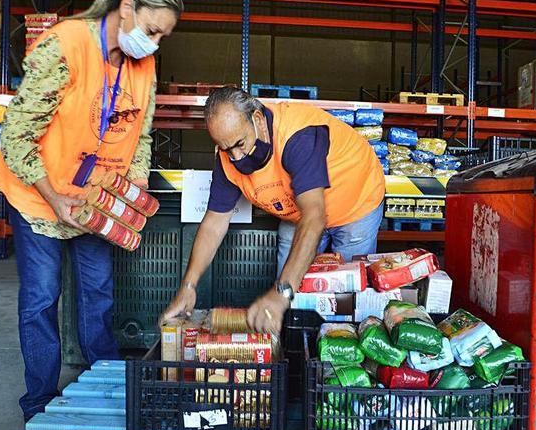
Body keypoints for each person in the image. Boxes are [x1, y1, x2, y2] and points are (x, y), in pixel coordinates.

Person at [0, 0, 183, 421]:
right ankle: (39, 401)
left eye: (163, 37)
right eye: (152, 30)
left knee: (97, 293)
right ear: (127, 8)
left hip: (93, 199)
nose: (154, 43)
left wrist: (130, 191)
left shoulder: (144, 64)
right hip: (40, 195)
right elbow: (17, 136)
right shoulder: (65, 45)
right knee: (42, 299)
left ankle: (105, 388)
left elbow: (140, 135)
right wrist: (53, 197)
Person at [160, 87, 385, 333]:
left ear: (257, 119)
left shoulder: (297, 136)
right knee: (286, 296)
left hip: (354, 202)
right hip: (297, 209)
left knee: (345, 300)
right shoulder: (228, 159)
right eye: (226, 150)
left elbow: (315, 217)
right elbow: (214, 223)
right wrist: (188, 286)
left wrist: (282, 291)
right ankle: (293, 351)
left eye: (240, 144)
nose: (236, 157)